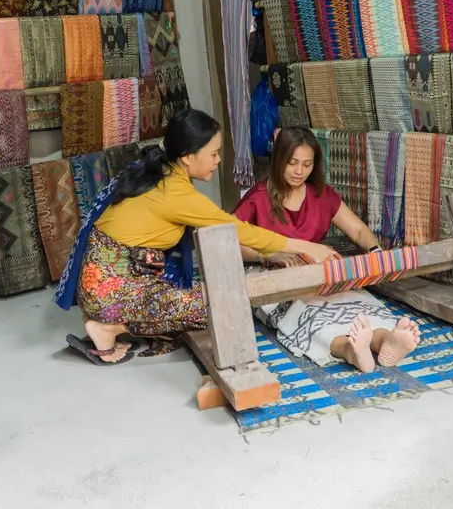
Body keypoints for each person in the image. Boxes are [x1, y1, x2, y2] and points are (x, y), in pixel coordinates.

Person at [54, 110, 339, 365]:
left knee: (206, 291)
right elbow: (237, 229)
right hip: (112, 291)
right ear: (188, 156)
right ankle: (109, 326)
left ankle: (109, 318)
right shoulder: (177, 194)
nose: (218, 160)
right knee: (219, 306)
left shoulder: (158, 171)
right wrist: (307, 246)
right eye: (213, 153)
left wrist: (272, 253)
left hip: (103, 283)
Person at [233, 127, 421, 373]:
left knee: (357, 304)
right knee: (310, 315)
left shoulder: (321, 195)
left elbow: (357, 231)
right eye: (292, 163)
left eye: (307, 164)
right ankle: (351, 350)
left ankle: (385, 341)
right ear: (278, 159)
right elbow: (230, 242)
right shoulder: (258, 197)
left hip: (322, 275)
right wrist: (268, 253)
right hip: (273, 275)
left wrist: (376, 252)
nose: (299, 171)